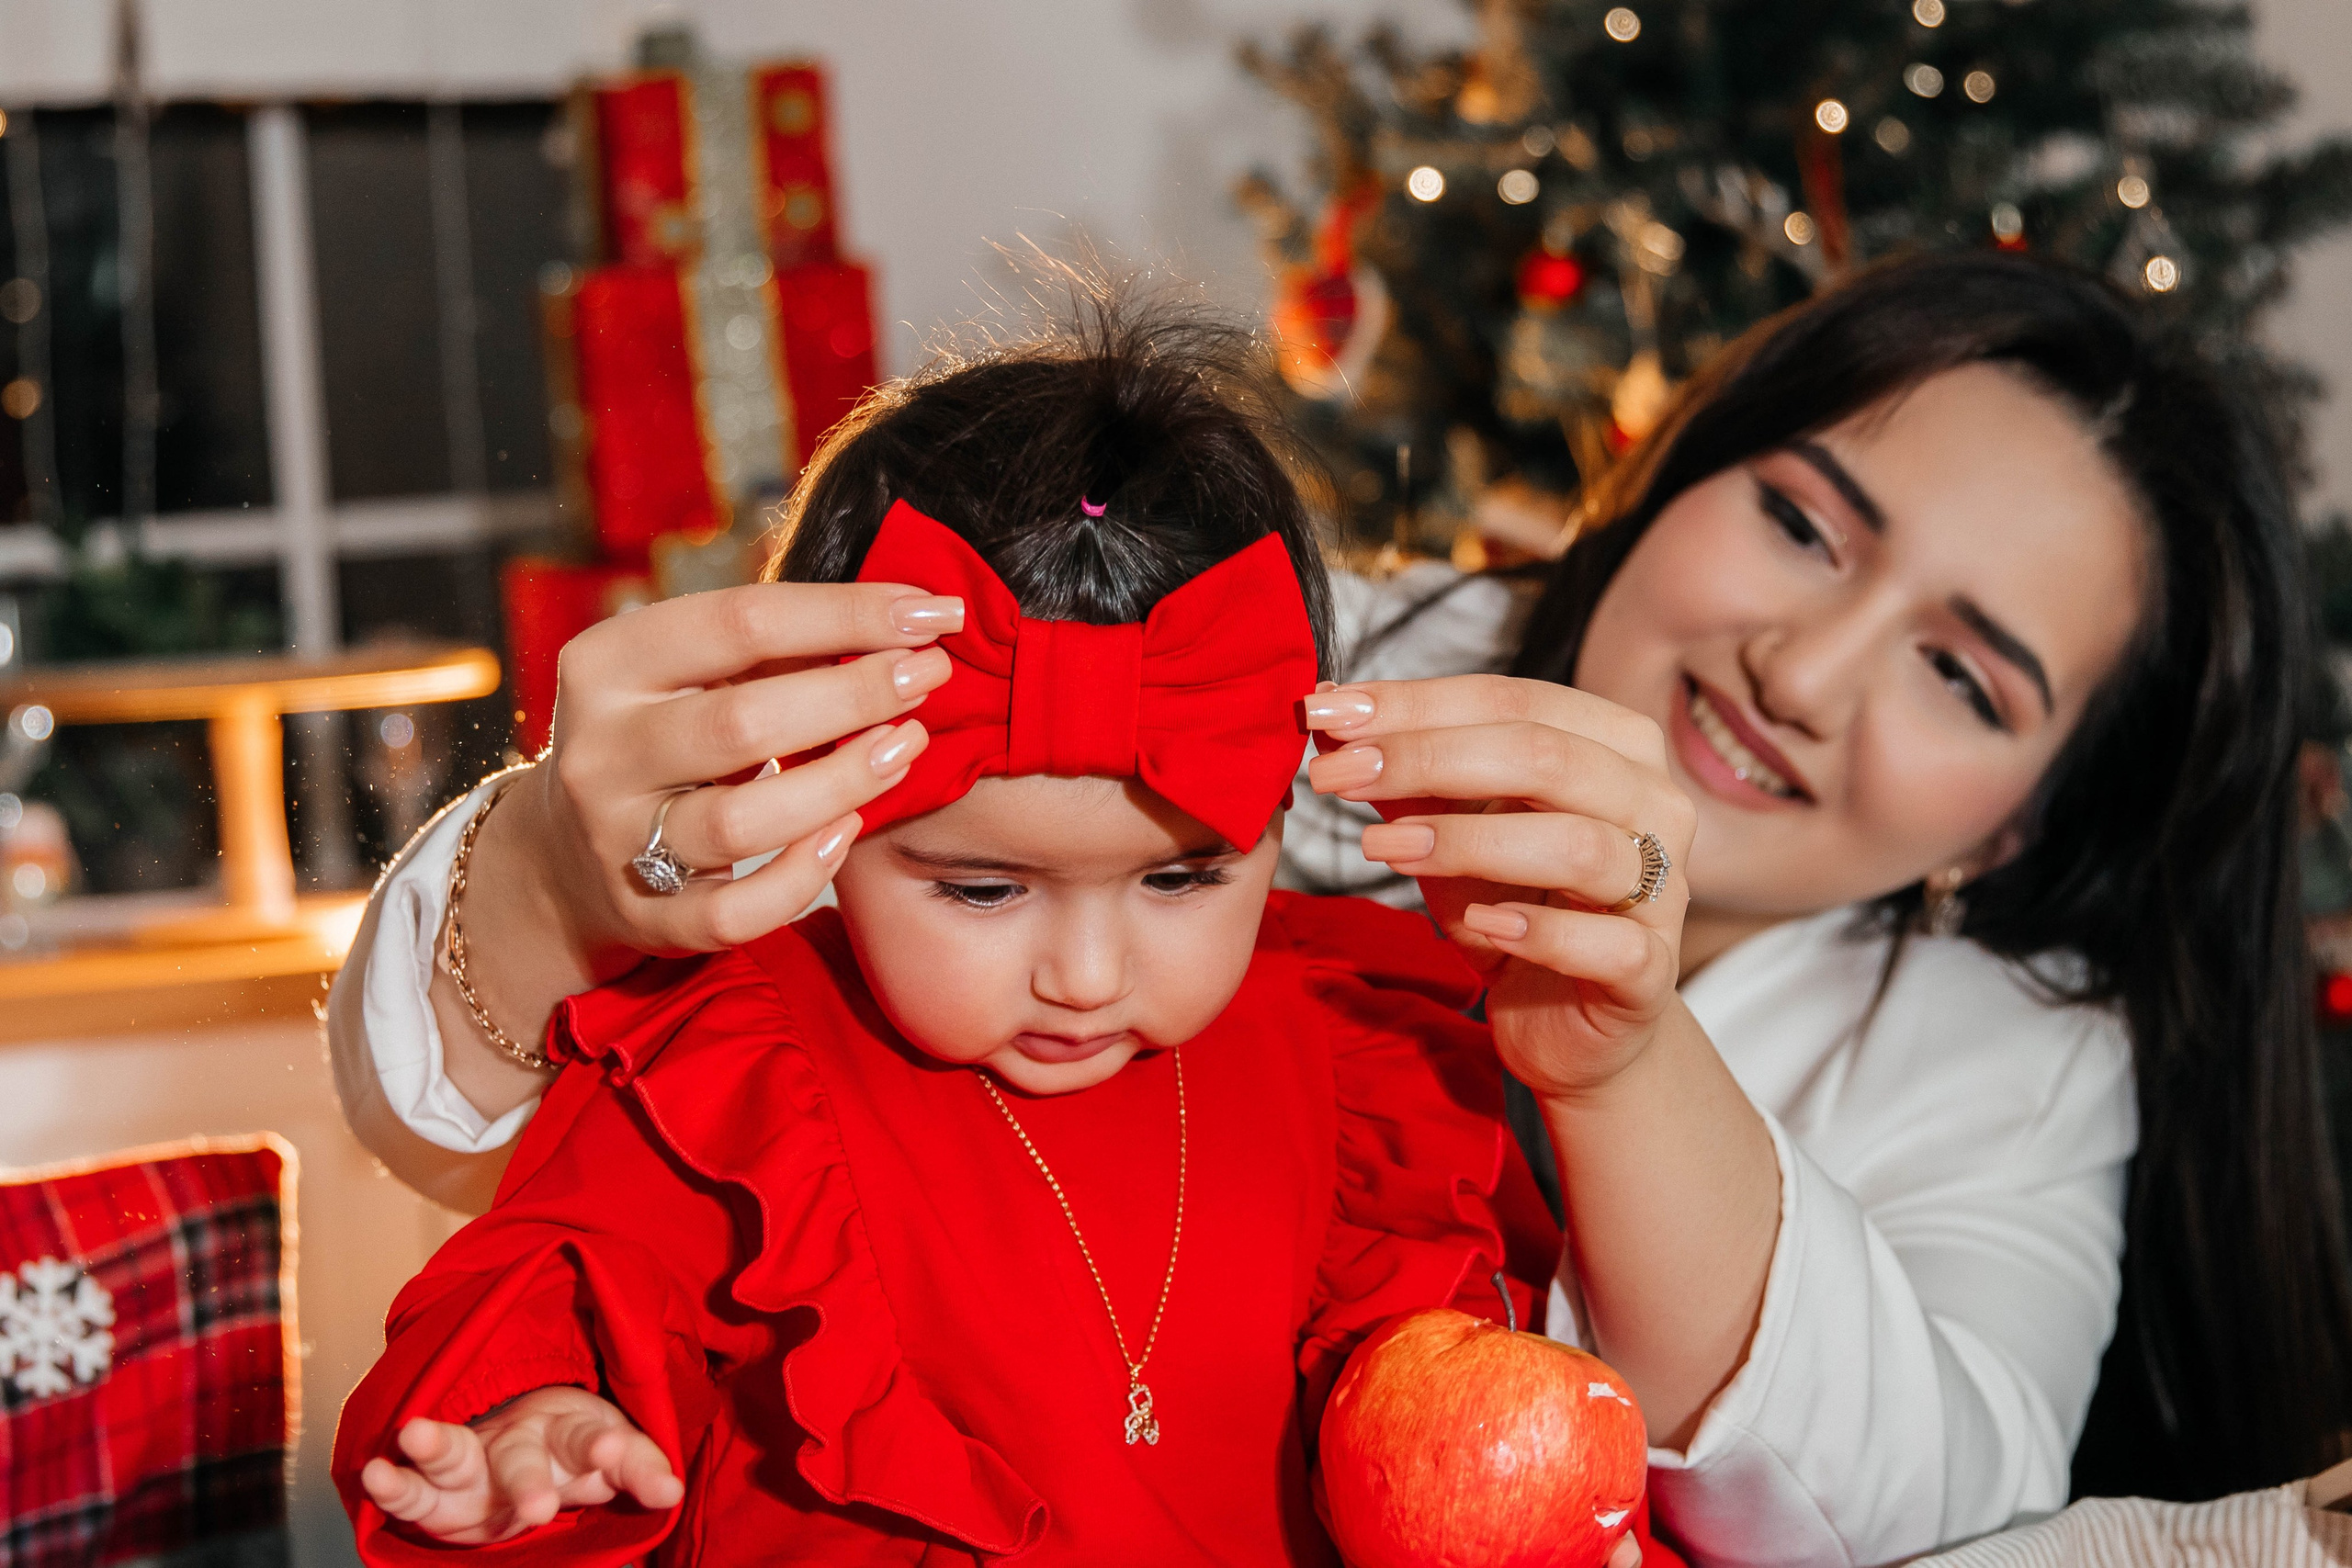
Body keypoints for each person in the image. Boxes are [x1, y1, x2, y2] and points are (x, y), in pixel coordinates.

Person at [325, 254, 2352, 1564]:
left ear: (2013, 821)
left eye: (1961, 672)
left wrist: (1623, 1059)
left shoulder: (2016, 1053)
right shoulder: (1265, 658)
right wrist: (554, 867)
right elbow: (482, 1128)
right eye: (1801, 521)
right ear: (1662, 478)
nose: (1802, 667)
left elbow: (1928, 1506)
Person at [329, 300, 1664, 1567]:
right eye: (980, 890)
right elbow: (564, 1297)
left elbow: (1482, 1415)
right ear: (822, 805)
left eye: (1186, 878)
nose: (1086, 976)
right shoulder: (728, 1073)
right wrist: (538, 1433)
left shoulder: (1367, 1067)